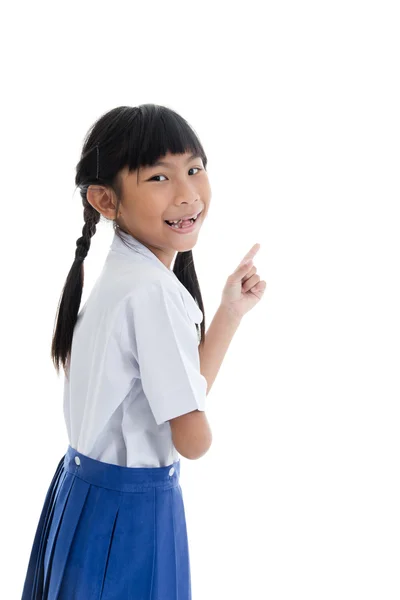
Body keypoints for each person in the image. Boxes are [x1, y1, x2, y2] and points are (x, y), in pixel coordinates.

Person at [21, 103, 267, 599]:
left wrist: (229, 312)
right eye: (159, 177)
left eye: (194, 169)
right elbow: (192, 439)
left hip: (81, 495)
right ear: (105, 200)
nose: (187, 193)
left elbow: (175, 391)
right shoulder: (153, 293)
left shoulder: (123, 275)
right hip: (130, 515)